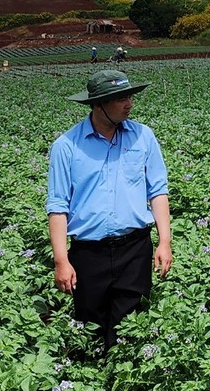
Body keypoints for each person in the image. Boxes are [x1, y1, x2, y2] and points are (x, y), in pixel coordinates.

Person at [47, 68, 173, 351]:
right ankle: (90, 385)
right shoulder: (66, 146)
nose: (129, 103)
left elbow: (158, 191)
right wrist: (61, 260)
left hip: (135, 249)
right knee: (89, 330)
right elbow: (57, 207)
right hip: (89, 254)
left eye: (130, 96)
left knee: (131, 331)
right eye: (120, 98)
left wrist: (164, 241)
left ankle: (128, 390)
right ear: (98, 104)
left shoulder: (143, 137)